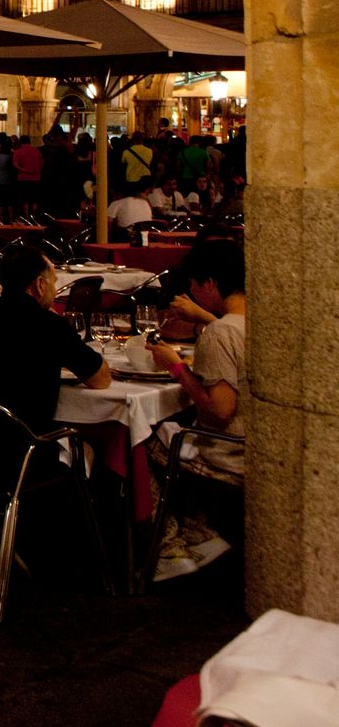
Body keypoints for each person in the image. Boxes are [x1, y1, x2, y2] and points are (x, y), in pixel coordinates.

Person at [146, 240, 245, 578]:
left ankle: (170, 549)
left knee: (144, 441)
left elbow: (219, 411)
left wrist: (176, 368)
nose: (190, 292)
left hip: (232, 454)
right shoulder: (260, 321)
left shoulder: (219, 334)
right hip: (262, 446)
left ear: (210, 284)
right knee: (175, 431)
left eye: (193, 285)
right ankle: (201, 534)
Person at [0, 245, 110, 435]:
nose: (55, 290)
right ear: (40, 285)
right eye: (54, 282)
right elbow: (101, 380)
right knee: (92, 447)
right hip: (26, 444)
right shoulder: (50, 325)